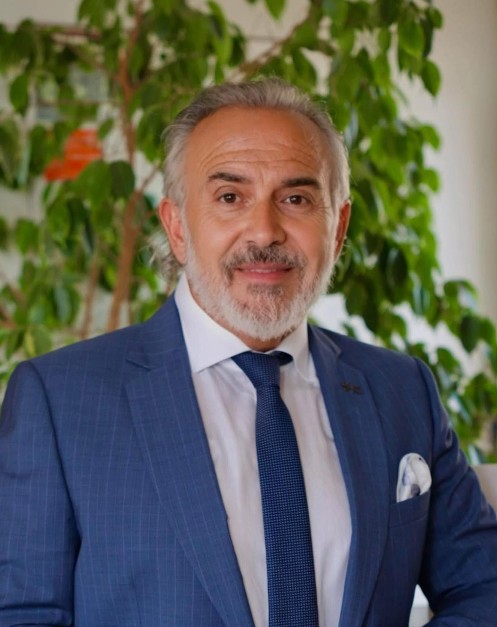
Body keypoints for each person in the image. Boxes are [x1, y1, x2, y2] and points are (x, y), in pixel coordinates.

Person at [1, 78, 497, 627]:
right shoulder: (59, 401)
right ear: (177, 227)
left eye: (296, 199)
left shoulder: (402, 390)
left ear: (337, 229)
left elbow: (484, 588)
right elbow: (22, 615)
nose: (264, 231)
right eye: (230, 197)